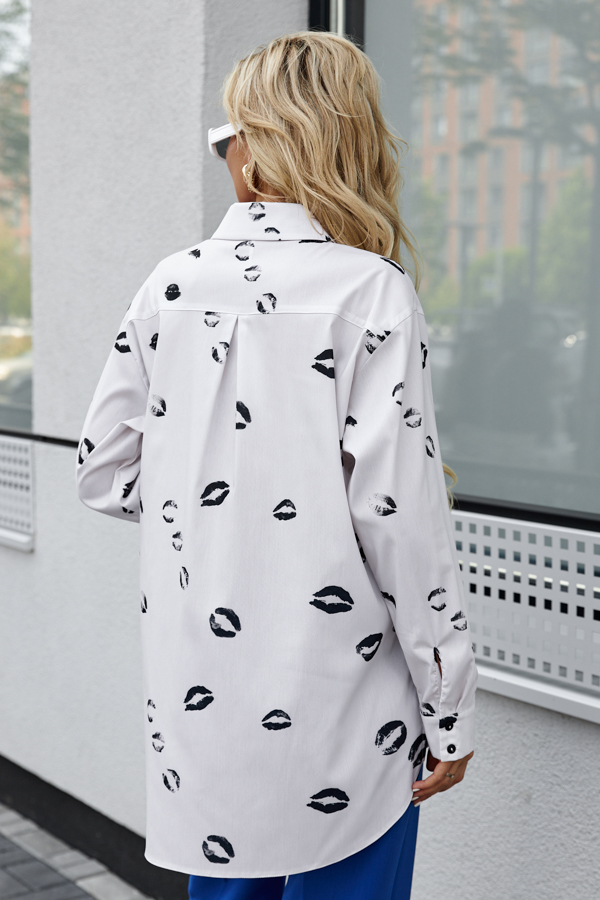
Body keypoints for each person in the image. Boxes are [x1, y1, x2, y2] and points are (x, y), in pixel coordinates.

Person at [76, 30, 477, 900]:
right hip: (349, 705)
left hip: (204, 701)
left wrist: (216, 502)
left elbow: (103, 470)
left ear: (258, 149)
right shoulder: (369, 292)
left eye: (228, 135)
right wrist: (449, 707)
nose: (224, 153)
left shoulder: (170, 285)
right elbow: (401, 523)